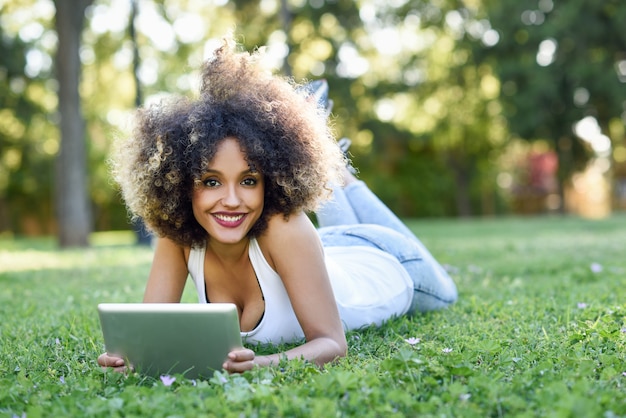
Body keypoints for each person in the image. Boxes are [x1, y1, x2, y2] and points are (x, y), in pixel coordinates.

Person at [98, 38, 457, 374]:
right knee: (324, 234)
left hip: (389, 263)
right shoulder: (179, 236)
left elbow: (332, 343)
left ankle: (338, 173)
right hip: (325, 255)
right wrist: (129, 358)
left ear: (269, 179)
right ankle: (334, 167)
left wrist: (263, 364)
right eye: (211, 181)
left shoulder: (284, 226)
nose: (233, 200)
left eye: (249, 180)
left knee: (449, 292)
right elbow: (146, 334)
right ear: (180, 185)